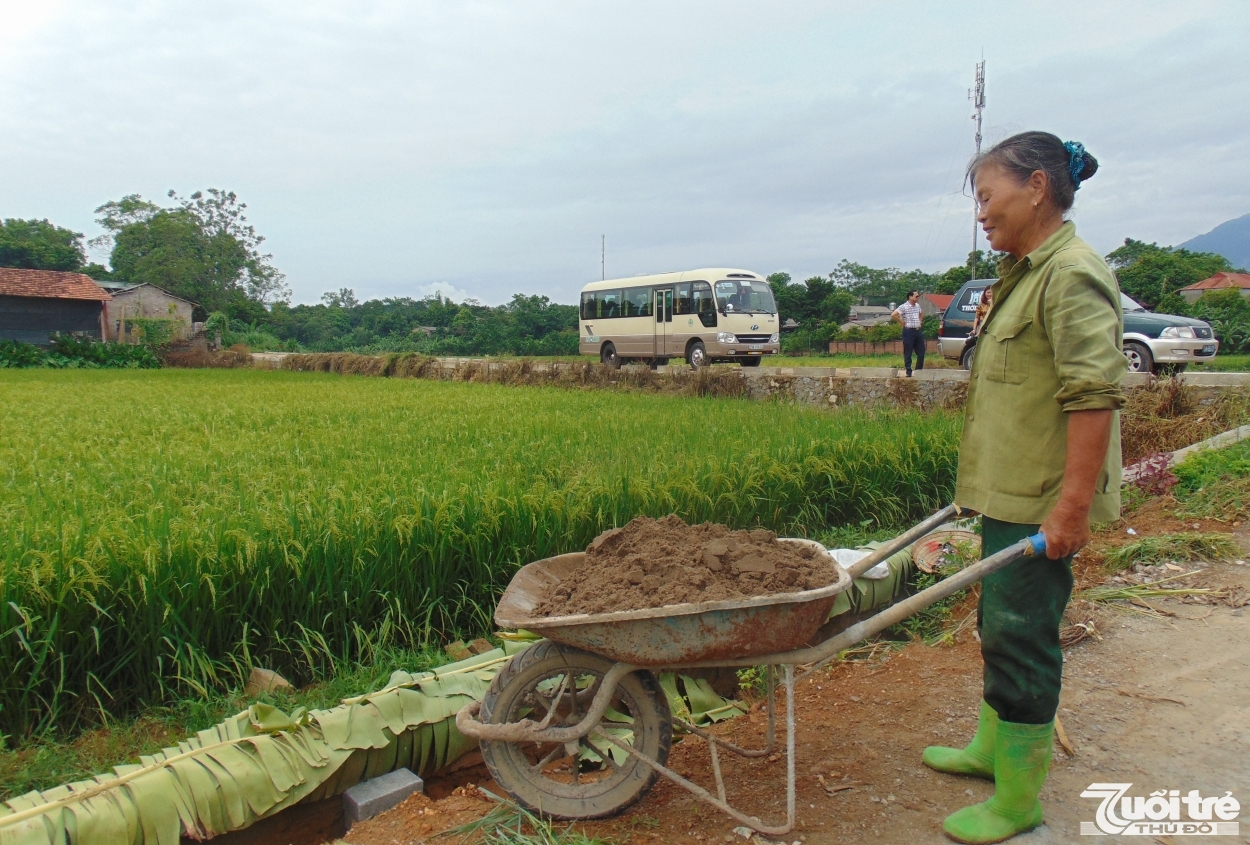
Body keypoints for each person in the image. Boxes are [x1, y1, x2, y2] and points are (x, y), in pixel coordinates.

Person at [922, 132, 1125, 844]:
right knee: (999, 625)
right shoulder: (1024, 271)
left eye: (987, 195)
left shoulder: (1071, 273)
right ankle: (991, 751)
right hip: (1009, 490)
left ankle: (1017, 803)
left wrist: (1070, 507)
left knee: (1022, 636)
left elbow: (1093, 395)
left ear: (1036, 186)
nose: (981, 212)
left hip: (1042, 499)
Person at [891, 289, 925, 376]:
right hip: (909, 331)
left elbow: (921, 314)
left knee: (921, 351)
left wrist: (920, 322)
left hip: (917, 330)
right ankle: (908, 371)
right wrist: (901, 322)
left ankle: (918, 371)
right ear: (910, 297)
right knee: (908, 352)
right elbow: (894, 314)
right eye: (916, 296)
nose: (918, 298)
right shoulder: (904, 306)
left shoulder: (917, 306)